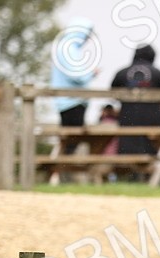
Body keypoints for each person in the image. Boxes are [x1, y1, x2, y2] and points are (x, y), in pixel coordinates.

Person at [49, 18, 98, 155]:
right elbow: (77, 75)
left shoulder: (67, 48)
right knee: (71, 140)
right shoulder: (68, 49)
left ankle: (57, 171)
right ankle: (57, 170)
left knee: (68, 139)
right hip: (71, 101)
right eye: (87, 35)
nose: (88, 39)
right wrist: (90, 73)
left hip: (69, 101)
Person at [111, 44, 160, 155]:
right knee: (150, 150)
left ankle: (126, 170)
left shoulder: (122, 73)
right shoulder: (158, 73)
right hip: (152, 120)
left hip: (127, 118)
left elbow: (113, 94)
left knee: (126, 149)